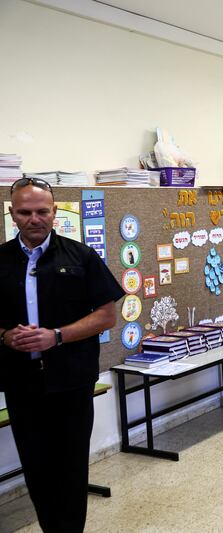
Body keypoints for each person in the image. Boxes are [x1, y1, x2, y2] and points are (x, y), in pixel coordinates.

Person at [0, 178, 125, 532]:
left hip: (71, 381)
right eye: (24, 212)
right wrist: (6, 336)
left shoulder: (81, 256)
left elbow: (106, 315)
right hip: (21, 383)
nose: (34, 219)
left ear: (55, 212)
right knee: (36, 467)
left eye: (42, 211)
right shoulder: (0, 261)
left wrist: (56, 337)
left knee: (70, 468)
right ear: (12, 214)